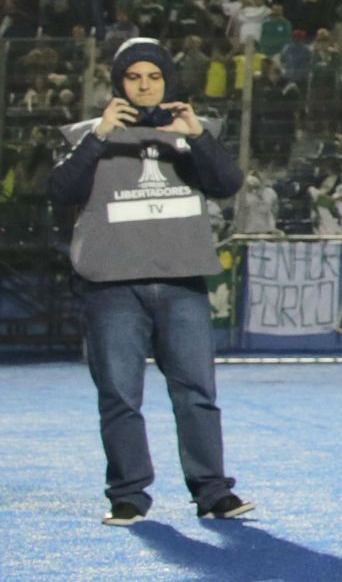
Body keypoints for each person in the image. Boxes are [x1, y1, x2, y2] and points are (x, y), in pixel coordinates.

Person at [55, 34, 246, 524]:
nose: (144, 86)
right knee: (120, 395)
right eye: (134, 77)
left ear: (166, 81)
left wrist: (198, 135)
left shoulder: (190, 131)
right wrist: (99, 136)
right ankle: (128, 495)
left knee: (197, 394)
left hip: (182, 283)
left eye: (154, 77)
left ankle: (213, 492)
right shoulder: (88, 134)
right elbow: (61, 190)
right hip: (112, 286)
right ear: (119, 82)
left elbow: (227, 184)